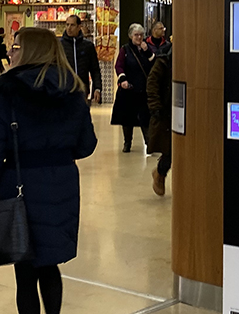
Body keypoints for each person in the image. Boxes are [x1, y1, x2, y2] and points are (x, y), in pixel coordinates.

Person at [0, 27, 97, 314]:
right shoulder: (73, 91)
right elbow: (86, 144)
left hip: (20, 186)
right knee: (49, 263)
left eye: (16, 47)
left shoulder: (9, 92)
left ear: (28, 51)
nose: (11, 52)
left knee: (25, 271)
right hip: (61, 184)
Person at [110, 24, 155, 153]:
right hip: (128, 90)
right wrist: (122, 79)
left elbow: (154, 64)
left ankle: (149, 144)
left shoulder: (147, 49)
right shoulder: (125, 50)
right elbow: (119, 66)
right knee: (127, 119)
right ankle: (127, 143)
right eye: (136, 35)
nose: (139, 37)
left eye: (141, 35)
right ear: (131, 36)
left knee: (145, 118)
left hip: (143, 89)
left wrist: (148, 52)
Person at [146, 43, 173, 196]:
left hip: (187, 107)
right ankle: (160, 173)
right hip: (166, 110)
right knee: (170, 150)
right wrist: (155, 106)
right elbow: (152, 82)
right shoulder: (164, 59)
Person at [59, 14, 102, 103]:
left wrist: (97, 88)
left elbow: (95, 69)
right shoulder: (59, 45)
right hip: (64, 89)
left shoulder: (88, 46)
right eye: (67, 25)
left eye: (72, 25)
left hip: (82, 89)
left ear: (79, 27)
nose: (69, 28)